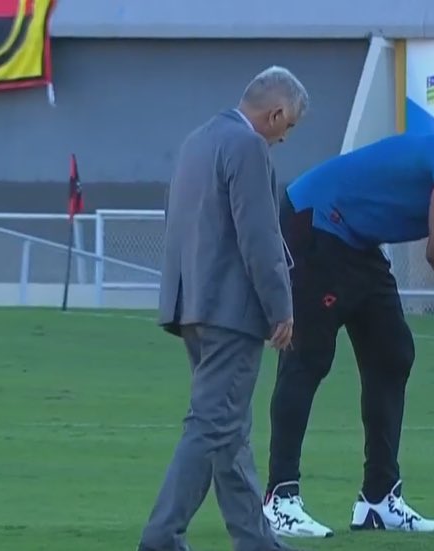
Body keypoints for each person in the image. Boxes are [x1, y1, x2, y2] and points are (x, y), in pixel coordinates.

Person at [262, 133, 434, 538]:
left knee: (392, 354)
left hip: (356, 241)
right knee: (308, 356)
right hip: (316, 219)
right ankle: (279, 499)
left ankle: (378, 501)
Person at [138, 66, 308, 551]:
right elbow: (260, 235)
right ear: (275, 113)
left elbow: (178, 221)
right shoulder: (248, 145)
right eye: (289, 126)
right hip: (232, 310)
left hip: (191, 303)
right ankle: (161, 538)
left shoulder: (198, 140)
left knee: (229, 432)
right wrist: (281, 307)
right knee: (212, 424)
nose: (284, 137)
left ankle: (256, 541)